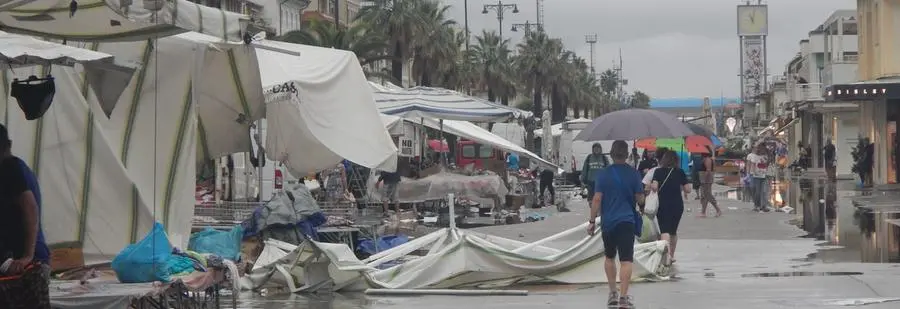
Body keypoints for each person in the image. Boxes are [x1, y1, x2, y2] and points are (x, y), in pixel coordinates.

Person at [587, 140, 644, 309]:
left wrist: (591, 221)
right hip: (626, 221)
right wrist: (641, 200)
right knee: (626, 260)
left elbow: (597, 199)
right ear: (626, 155)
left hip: (608, 222)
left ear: (611, 154)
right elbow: (640, 198)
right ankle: (624, 298)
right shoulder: (634, 174)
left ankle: (612, 293)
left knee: (609, 257)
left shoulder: (603, 174)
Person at [0, 123, 51, 307]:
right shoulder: (20, 168)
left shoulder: (9, 168)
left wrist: (27, 255)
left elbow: (30, 208)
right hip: (28, 265)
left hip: (26, 268)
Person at [650, 151, 691, 265]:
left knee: (664, 230)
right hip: (677, 205)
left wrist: (650, 185)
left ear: (664, 159)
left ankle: (666, 256)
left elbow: (654, 187)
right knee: (673, 231)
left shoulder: (658, 171)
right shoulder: (680, 172)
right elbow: (688, 189)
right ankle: (672, 255)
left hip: (663, 204)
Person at [746, 144, 771, 212]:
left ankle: (763, 206)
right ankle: (756, 205)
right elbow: (751, 165)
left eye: (763, 148)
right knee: (757, 191)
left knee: (764, 191)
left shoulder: (765, 156)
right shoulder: (753, 156)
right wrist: (749, 174)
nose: (762, 150)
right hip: (756, 176)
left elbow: (767, 164)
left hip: (764, 175)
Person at [698, 147, 722, 217]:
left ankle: (718, 210)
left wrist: (704, 179)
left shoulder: (708, 159)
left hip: (706, 180)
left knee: (707, 195)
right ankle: (703, 212)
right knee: (704, 196)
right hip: (704, 179)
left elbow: (708, 170)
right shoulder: (705, 159)